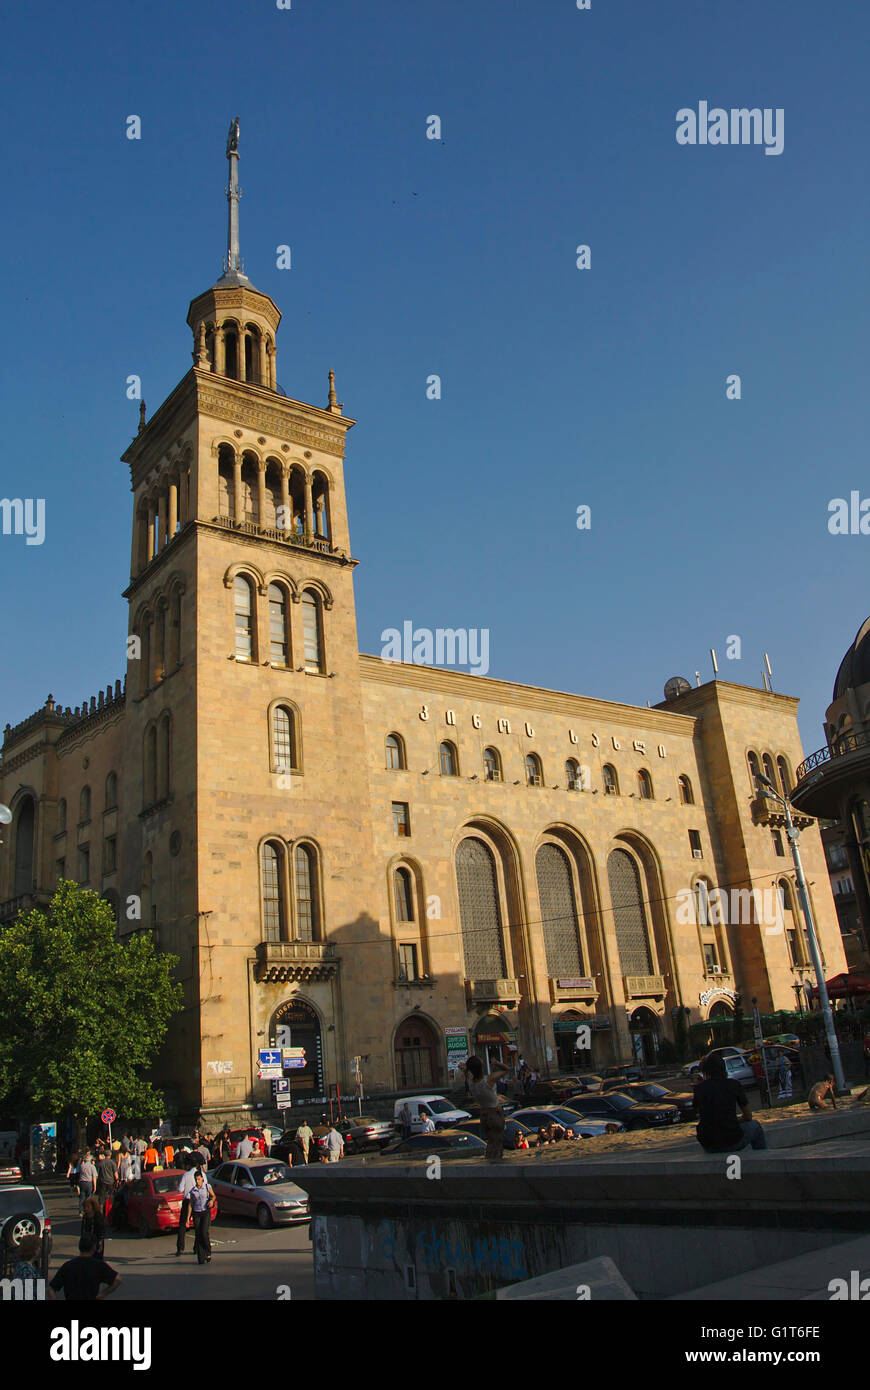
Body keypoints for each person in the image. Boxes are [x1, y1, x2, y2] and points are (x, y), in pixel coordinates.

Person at [694, 1052, 768, 1152]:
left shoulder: (699, 1089)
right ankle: (762, 1158)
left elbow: (703, 1116)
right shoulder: (733, 1084)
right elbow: (748, 1116)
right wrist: (733, 1121)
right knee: (756, 1126)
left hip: (708, 1143)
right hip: (732, 1140)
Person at [462, 1056, 509, 1162]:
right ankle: (496, 1167)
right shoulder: (489, 1080)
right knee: (497, 1143)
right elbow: (506, 1069)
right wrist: (496, 1062)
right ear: (480, 1067)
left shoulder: (471, 1082)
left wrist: (465, 1069)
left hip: (484, 1114)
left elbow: (466, 1073)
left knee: (490, 1142)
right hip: (494, 1113)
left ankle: (489, 1164)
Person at [49, 1235, 121, 1301]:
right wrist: (103, 1294)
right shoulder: (99, 1265)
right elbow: (117, 1279)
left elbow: (50, 1289)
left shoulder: (68, 1266)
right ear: (94, 1247)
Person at [8, 1234, 54, 1300]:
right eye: (39, 1247)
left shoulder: (21, 1265)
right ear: (34, 1250)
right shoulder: (26, 1270)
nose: (40, 1250)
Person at [176, 1158, 205, 1255]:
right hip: (198, 1200)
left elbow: (180, 1189)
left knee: (183, 1225)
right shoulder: (202, 1175)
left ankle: (180, 1248)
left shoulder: (186, 1175)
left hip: (187, 1200)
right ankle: (196, 1247)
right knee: (198, 1225)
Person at [189, 1171, 216, 1264]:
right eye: (196, 1180)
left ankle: (208, 1251)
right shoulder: (193, 1191)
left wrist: (212, 1201)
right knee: (198, 1234)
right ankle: (201, 1256)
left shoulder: (207, 1187)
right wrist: (188, 1218)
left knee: (204, 1232)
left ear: (202, 1179)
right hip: (196, 1213)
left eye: (199, 1179)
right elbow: (191, 1204)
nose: (197, 1181)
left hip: (205, 1212)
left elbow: (213, 1196)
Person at [96, 1149, 117, 1214]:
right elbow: (116, 1174)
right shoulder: (113, 1163)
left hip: (102, 1182)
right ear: (110, 1155)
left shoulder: (100, 1163)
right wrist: (117, 1181)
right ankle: (110, 1210)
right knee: (110, 1197)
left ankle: (101, 1211)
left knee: (101, 1198)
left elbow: (97, 1174)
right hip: (111, 1182)